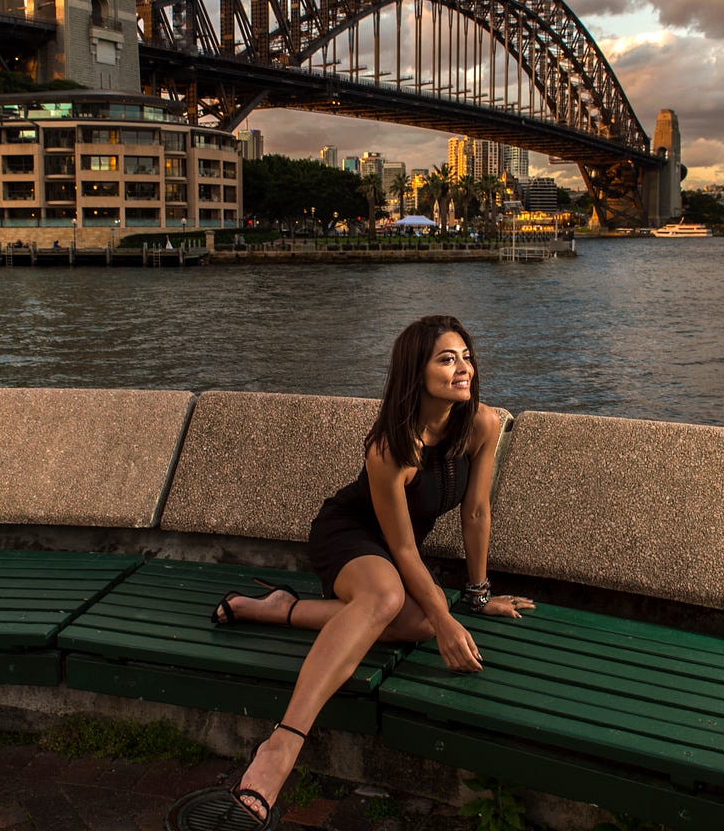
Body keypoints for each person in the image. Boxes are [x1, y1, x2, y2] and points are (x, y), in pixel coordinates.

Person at [210, 314, 533, 826]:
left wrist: (473, 597)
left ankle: (281, 609)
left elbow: (475, 512)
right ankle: (281, 747)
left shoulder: (483, 425)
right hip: (350, 537)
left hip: (391, 554)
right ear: (415, 371)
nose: (463, 368)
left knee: (422, 621)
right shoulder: (390, 447)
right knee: (388, 601)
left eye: (466, 357)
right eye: (446, 359)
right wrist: (449, 620)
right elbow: (404, 549)